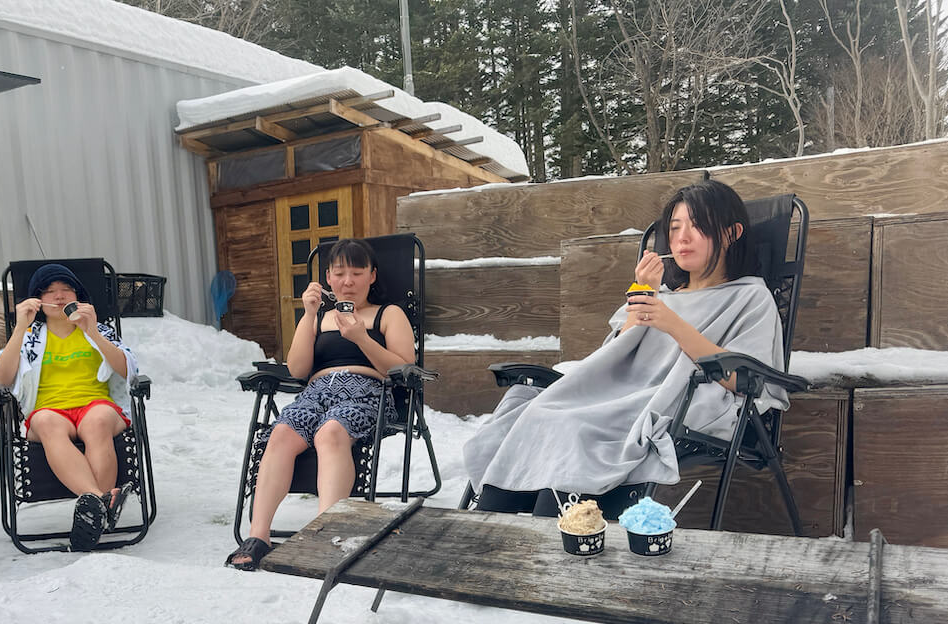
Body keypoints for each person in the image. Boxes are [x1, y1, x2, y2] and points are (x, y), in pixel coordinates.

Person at [461, 178, 788, 518]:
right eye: (674, 228)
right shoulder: (661, 295)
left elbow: (746, 379)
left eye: (697, 227)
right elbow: (613, 359)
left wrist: (672, 323)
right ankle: (492, 523)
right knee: (536, 411)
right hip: (619, 393)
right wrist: (643, 295)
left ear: (731, 234)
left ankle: (559, 525)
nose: (681, 238)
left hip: (680, 401)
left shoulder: (750, 297)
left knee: (576, 426)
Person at [226, 237, 416, 570]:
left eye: (357, 273)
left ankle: (324, 533)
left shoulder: (388, 314)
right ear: (327, 277)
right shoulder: (319, 317)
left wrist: (360, 337)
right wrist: (309, 314)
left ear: (372, 275)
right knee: (282, 433)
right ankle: (259, 536)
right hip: (315, 392)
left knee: (330, 433)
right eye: (340, 273)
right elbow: (298, 369)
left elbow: (402, 370)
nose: (348, 281)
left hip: (369, 391)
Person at [0, 263, 139, 551]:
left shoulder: (99, 331)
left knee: (97, 422)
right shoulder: (29, 337)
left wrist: (93, 332)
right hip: (48, 409)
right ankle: (101, 501)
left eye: (65, 290)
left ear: (78, 296)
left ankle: (92, 509)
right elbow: (1, 378)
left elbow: (126, 370)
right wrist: (20, 326)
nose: (58, 297)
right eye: (49, 291)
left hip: (96, 404)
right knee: (47, 423)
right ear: (38, 300)